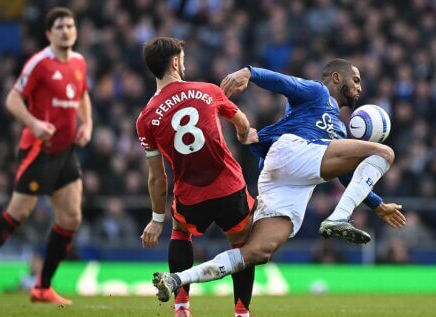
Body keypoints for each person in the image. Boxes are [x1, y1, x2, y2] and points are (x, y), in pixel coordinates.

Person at [152, 59, 406, 302]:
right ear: (338, 78)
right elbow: (286, 84)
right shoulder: (318, 93)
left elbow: (345, 173)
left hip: (289, 179)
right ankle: (338, 219)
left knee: (257, 253)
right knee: (384, 152)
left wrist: (377, 205)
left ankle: (176, 279)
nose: (360, 87)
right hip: (295, 153)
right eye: (356, 80)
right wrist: (250, 72)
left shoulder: (337, 128)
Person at [0, 7, 92, 305]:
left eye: (70, 25)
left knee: (71, 216)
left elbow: (83, 94)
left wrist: (88, 124)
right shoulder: (39, 64)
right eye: (59, 26)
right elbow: (12, 99)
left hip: (65, 150)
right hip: (38, 150)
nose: (66, 30)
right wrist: (34, 124)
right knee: (18, 212)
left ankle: (43, 287)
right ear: (49, 33)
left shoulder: (79, 62)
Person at [137, 37, 260, 317]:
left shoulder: (146, 118)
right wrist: (244, 136)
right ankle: (242, 316)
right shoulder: (208, 90)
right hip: (229, 187)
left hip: (190, 195)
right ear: (176, 63)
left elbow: (157, 178)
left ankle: (181, 308)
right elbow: (242, 123)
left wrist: (156, 219)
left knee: (180, 233)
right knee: (242, 245)